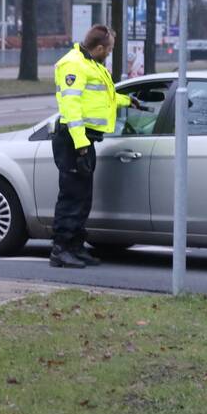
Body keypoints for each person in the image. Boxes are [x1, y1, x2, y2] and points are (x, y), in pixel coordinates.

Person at [50, 25, 142, 268]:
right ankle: (61, 250)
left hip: (83, 140)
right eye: (109, 49)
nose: (109, 53)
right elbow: (72, 108)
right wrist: (80, 145)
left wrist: (127, 100)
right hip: (72, 140)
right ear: (99, 48)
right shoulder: (74, 65)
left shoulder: (90, 64)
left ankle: (75, 247)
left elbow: (101, 98)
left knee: (82, 198)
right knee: (71, 197)